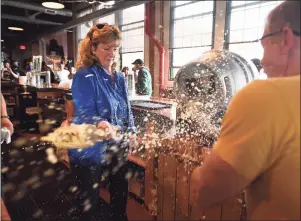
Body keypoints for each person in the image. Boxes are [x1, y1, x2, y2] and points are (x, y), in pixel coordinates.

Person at [190, 1, 300, 220]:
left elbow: (205, 192)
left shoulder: (265, 96)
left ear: (286, 38)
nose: (264, 61)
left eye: (264, 43)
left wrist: (198, 173)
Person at [69, 23, 136, 221]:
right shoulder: (84, 75)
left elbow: (127, 109)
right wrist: (101, 123)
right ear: (93, 48)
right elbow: (84, 111)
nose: (112, 53)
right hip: (89, 146)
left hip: (116, 143)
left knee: (120, 192)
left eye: (115, 48)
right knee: (88, 200)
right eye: (107, 48)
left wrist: (131, 130)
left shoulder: (120, 77)